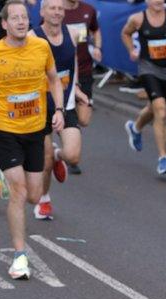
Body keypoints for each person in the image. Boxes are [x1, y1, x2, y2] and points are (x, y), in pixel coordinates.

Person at [0, 0, 63, 280]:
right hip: (5, 130)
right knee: (19, 192)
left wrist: (58, 110)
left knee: (34, 195)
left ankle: (7, 176)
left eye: (25, 17)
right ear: (5, 24)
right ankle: (20, 255)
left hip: (35, 129)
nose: (21, 21)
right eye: (15, 18)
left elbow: (54, 80)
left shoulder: (41, 48)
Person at [121, 0, 166, 175]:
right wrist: (132, 50)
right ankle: (163, 158)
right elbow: (125, 33)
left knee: (154, 108)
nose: (159, 1)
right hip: (147, 68)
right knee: (161, 110)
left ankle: (135, 128)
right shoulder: (137, 19)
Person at [31, 0, 88, 220]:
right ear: (43, 11)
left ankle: (58, 155)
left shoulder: (73, 33)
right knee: (43, 161)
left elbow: (72, 66)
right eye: (52, 8)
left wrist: (78, 90)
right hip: (41, 107)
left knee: (73, 156)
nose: (56, 12)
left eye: (60, 8)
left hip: (66, 104)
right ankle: (44, 199)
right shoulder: (33, 38)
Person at [61, 0, 100, 174]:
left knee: (84, 119)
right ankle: (71, 152)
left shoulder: (88, 10)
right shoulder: (56, 10)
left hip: (84, 70)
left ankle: (69, 134)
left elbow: (96, 30)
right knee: (70, 114)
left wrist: (97, 46)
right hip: (62, 73)